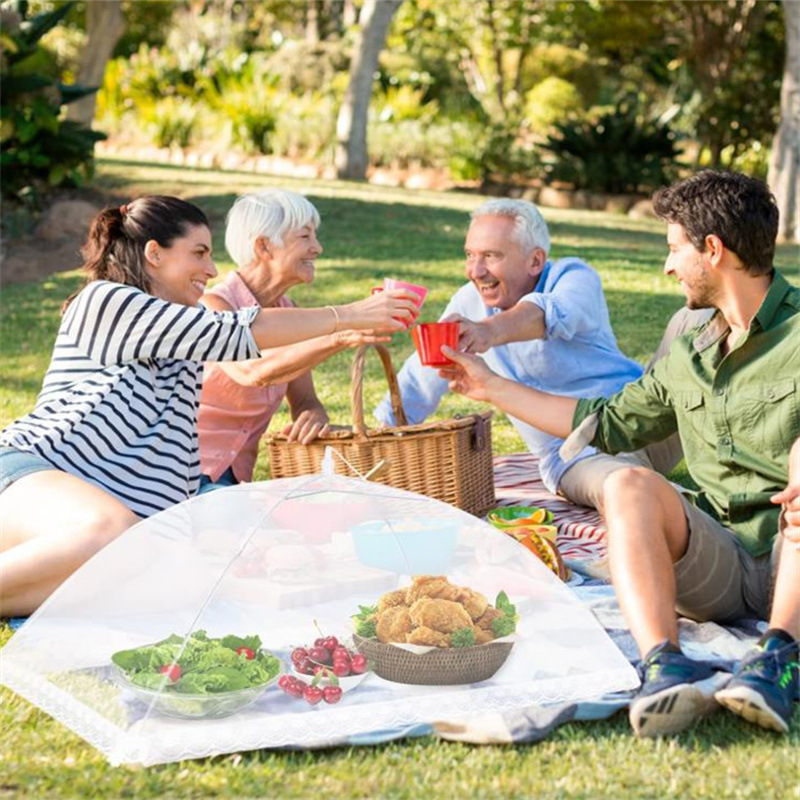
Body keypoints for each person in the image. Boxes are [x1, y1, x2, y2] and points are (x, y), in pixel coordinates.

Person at [437, 171, 799, 738]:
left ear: (712, 250)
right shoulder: (692, 344)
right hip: (724, 558)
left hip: (790, 552)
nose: (667, 265)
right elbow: (604, 422)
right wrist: (488, 386)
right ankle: (664, 663)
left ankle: (778, 658)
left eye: (674, 248)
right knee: (626, 485)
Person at [0, 196, 419, 615]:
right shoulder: (107, 301)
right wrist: (349, 315)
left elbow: (178, 475)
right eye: (198, 253)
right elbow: (236, 332)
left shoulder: (182, 354)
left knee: (187, 589)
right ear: (154, 254)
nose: (212, 269)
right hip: (32, 477)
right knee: (113, 532)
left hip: (101, 525)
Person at [374, 198, 704, 510]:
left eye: (491, 256)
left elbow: (547, 314)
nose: (475, 270)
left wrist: (488, 331)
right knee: (629, 490)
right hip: (577, 455)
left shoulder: (574, 277)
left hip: (644, 420)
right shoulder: (467, 304)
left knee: (697, 317)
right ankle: (677, 509)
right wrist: (378, 440)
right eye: (470, 255)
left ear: (535, 260)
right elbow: (421, 377)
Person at [196, 189, 384, 492]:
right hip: (186, 475)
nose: (318, 248)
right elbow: (253, 370)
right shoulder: (213, 307)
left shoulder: (289, 312)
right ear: (264, 246)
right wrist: (338, 335)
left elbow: (305, 400)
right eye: (304, 237)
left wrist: (312, 415)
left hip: (233, 480)